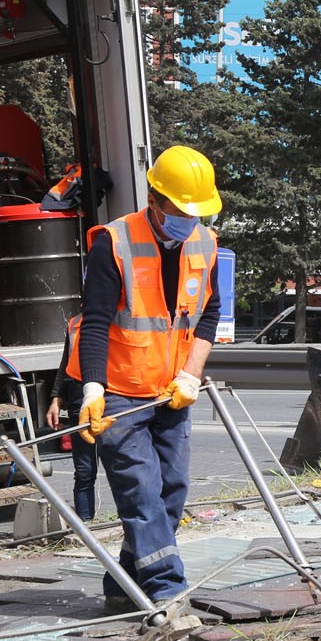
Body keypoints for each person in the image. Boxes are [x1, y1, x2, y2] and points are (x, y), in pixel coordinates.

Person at [69, 146, 223, 612]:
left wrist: (191, 376)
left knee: (172, 490)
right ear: (155, 200)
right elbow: (94, 321)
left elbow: (209, 316)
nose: (188, 221)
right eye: (180, 211)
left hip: (171, 392)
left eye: (196, 212)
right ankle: (167, 591)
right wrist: (92, 386)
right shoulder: (113, 243)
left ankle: (122, 586)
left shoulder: (205, 243)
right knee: (141, 493)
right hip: (119, 394)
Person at [44, 316, 100, 521]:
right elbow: (65, 364)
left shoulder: (121, 316)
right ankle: (85, 526)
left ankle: (132, 527)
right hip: (79, 401)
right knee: (84, 471)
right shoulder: (75, 323)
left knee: (122, 471)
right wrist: (56, 399)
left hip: (114, 401)